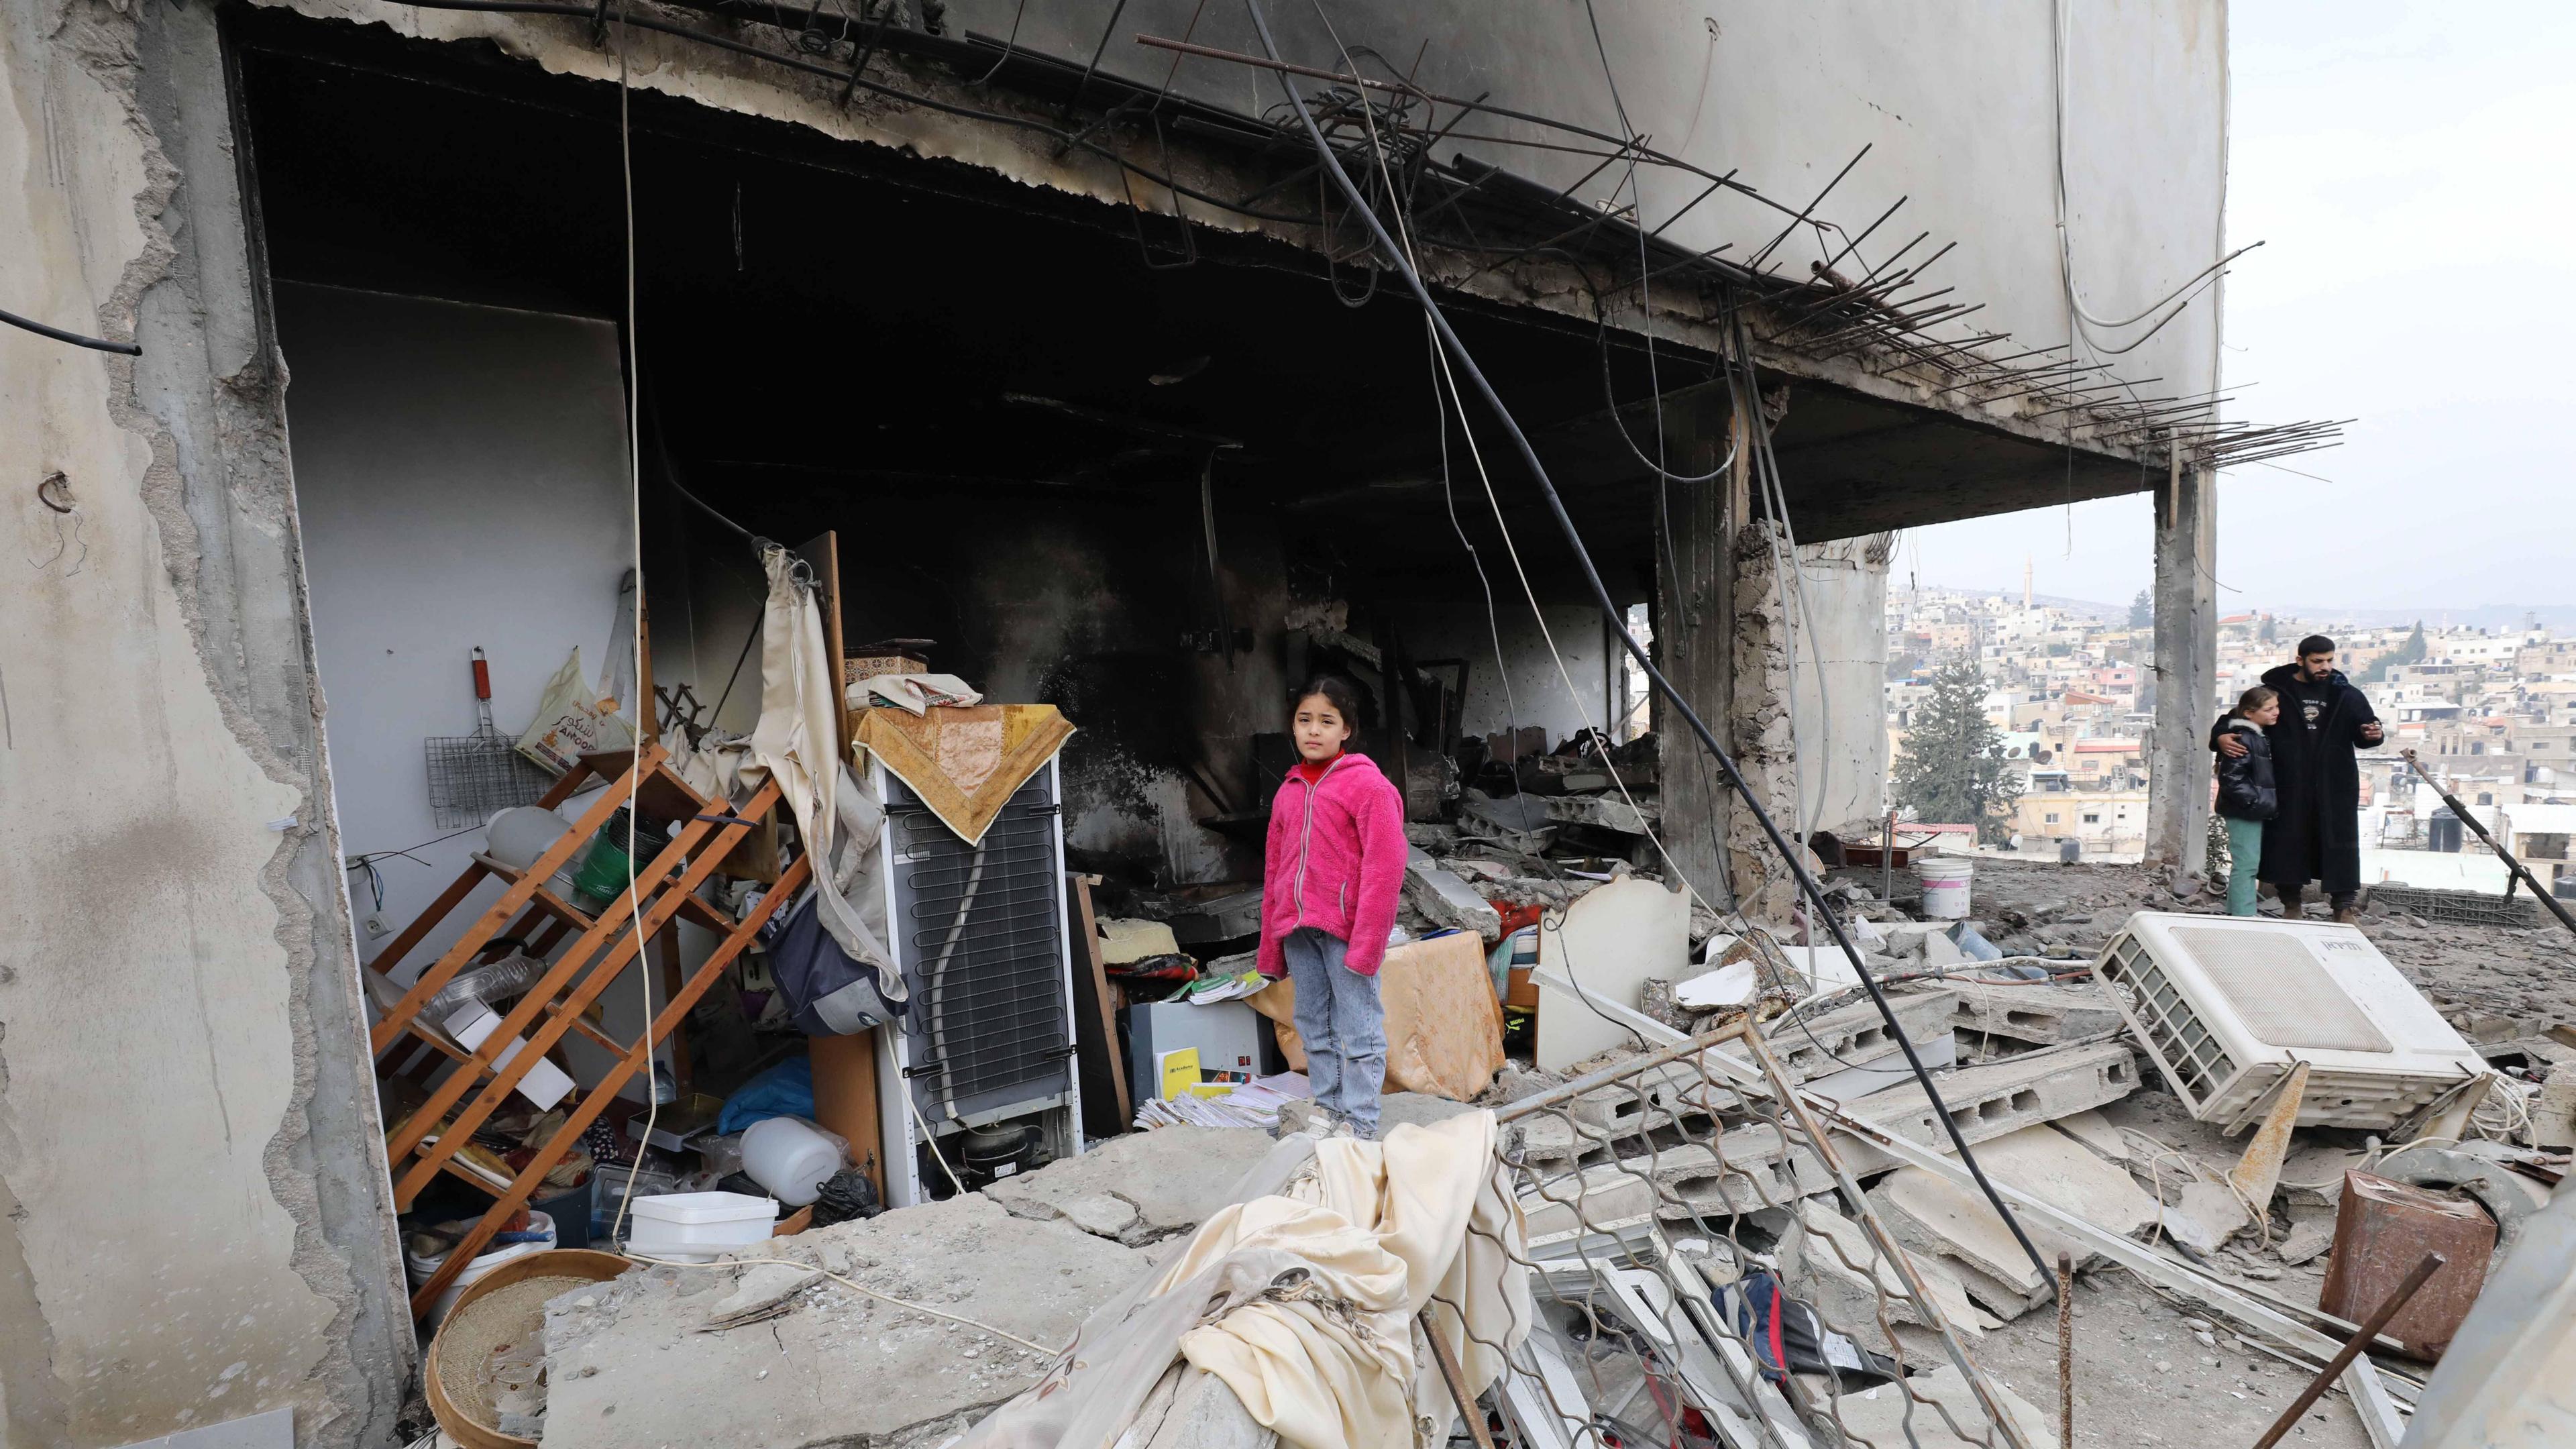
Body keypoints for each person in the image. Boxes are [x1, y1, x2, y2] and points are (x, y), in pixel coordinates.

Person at [1254, 675, 1407, 1139]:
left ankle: (1360, 1124)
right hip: (1300, 930)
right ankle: (1329, 1112)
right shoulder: (1288, 791)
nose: (1313, 730)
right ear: (1293, 727)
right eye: (1305, 720)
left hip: (1345, 930)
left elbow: (1385, 870)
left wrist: (1367, 944)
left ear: (1347, 730)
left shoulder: (1369, 788)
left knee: (1360, 1030)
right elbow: (1274, 873)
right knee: (1312, 1026)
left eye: (1326, 721)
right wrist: (1270, 946)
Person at [2214, 635, 2383, 922]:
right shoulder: (2276, 691)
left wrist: (2373, 734)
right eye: (2318, 661)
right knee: (2288, 844)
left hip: (2336, 785)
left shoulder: (2346, 694)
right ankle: (2291, 904)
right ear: (2300, 660)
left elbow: (2367, 729)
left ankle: (2343, 907)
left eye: (2330, 660)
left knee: (2340, 846)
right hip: (2287, 783)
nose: (2325, 667)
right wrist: (2219, 736)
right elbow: (2238, 717)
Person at [2214, 686, 2281, 917]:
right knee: (2247, 865)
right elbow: (2231, 778)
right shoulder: (2244, 738)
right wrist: (2254, 802)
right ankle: (2244, 916)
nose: (2276, 713)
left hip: (2248, 809)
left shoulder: (2256, 736)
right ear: (2250, 713)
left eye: (2276, 707)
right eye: (2269, 709)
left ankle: (2238, 914)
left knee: (2246, 864)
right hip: (2244, 810)